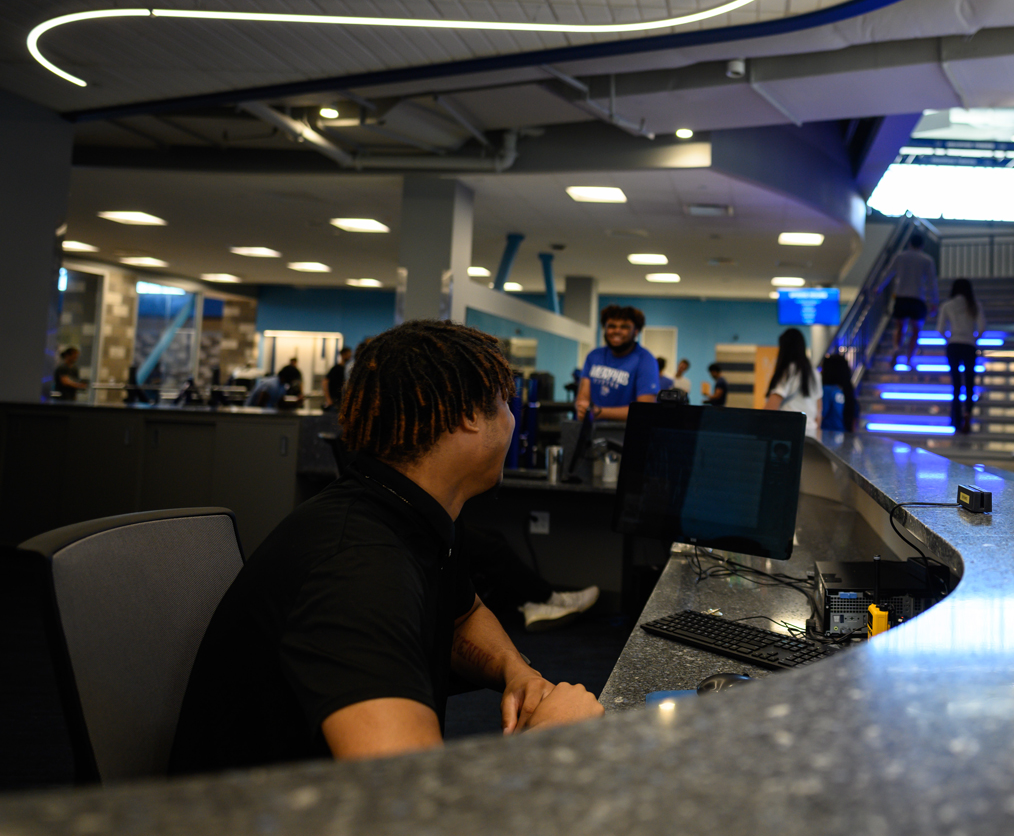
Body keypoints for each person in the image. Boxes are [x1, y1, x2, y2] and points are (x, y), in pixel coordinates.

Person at [171, 320, 603, 774]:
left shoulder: (409, 510)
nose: (511, 420)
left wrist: (517, 673)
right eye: (504, 403)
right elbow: (407, 803)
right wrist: (549, 743)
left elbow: (462, 615)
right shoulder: (359, 570)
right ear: (469, 417)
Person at [574, 304, 658, 421]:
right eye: (612, 326)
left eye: (624, 327)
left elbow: (645, 410)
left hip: (625, 434)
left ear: (636, 331)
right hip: (592, 432)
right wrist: (582, 407)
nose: (617, 331)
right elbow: (583, 397)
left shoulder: (645, 360)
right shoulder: (594, 356)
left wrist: (598, 412)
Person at [878, 233, 939, 366]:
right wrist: (934, 302)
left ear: (909, 243)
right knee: (916, 330)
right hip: (918, 298)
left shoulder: (900, 256)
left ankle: (896, 349)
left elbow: (888, 273)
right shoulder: (927, 260)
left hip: (901, 297)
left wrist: (878, 288)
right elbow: (931, 282)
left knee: (900, 327)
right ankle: (910, 358)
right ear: (922, 245)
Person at [937, 279, 986, 434]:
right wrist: (974, 338)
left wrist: (949, 338)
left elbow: (939, 329)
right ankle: (968, 417)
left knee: (956, 384)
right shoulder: (974, 305)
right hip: (969, 346)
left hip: (953, 345)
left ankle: (956, 420)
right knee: (970, 384)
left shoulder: (947, 305)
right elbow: (983, 327)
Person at [764, 328, 821, 437]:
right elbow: (819, 411)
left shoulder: (789, 371)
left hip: (787, 433)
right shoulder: (814, 373)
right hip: (811, 434)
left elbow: (771, 409)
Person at [818, 352, 858, 433]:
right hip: (845, 438)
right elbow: (854, 422)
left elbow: (820, 416)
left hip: (827, 438)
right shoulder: (849, 392)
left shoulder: (827, 390)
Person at [323, 346, 353, 411]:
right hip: (335, 400)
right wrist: (328, 399)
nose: (350, 357)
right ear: (343, 355)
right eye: (348, 355)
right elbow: (325, 382)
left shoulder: (348, 369)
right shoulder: (336, 369)